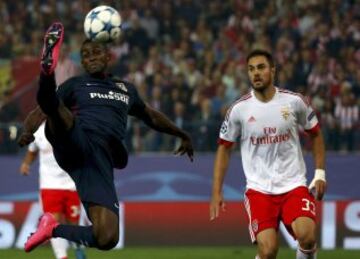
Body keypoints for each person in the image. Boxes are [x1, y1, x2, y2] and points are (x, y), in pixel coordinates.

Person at [20, 22, 193, 252]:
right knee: (54, 105)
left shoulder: (126, 89)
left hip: (98, 162)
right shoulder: (76, 84)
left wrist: (181, 134)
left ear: (108, 56)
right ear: (81, 62)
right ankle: (47, 70)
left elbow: (150, 116)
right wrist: (27, 130)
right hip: (75, 138)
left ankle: (52, 229)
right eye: (85, 55)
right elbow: (41, 110)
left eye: (96, 52)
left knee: (107, 237)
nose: (90, 57)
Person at [209, 49, 326, 259]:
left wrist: (319, 174)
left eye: (261, 67)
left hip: (294, 185)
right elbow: (224, 148)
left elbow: (316, 134)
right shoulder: (239, 110)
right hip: (259, 190)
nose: (256, 73)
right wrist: (216, 191)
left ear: (273, 70)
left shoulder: (294, 102)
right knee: (268, 250)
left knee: (307, 237)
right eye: (251, 69)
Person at [19, 122, 86, 259]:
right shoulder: (38, 132)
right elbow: (32, 151)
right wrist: (26, 163)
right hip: (49, 185)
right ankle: (61, 256)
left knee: (74, 223)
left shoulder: (71, 129)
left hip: (71, 185)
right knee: (52, 224)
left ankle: (78, 248)